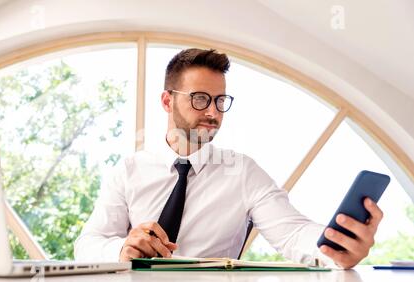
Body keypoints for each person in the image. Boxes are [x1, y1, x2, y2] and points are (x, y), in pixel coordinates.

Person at [74, 48, 383, 269]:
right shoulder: (129, 171)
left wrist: (335, 245)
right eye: (200, 99)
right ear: (168, 101)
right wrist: (122, 248)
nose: (213, 112)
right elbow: (87, 245)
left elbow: (293, 232)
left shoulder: (243, 172)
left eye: (220, 101)